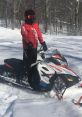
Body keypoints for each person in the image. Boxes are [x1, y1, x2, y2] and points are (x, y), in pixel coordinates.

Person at [21, 9, 47, 90]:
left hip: (34, 48)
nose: (31, 18)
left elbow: (39, 34)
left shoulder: (35, 25)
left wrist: (43, 42)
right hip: (27, 48)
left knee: (34, 63)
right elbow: (24, 35)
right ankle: (28, 80)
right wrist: (28, 43)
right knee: (28, 64)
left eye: (33, 16)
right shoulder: (24, 26)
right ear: (26, 17)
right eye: (29, 16)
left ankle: (33, 78)